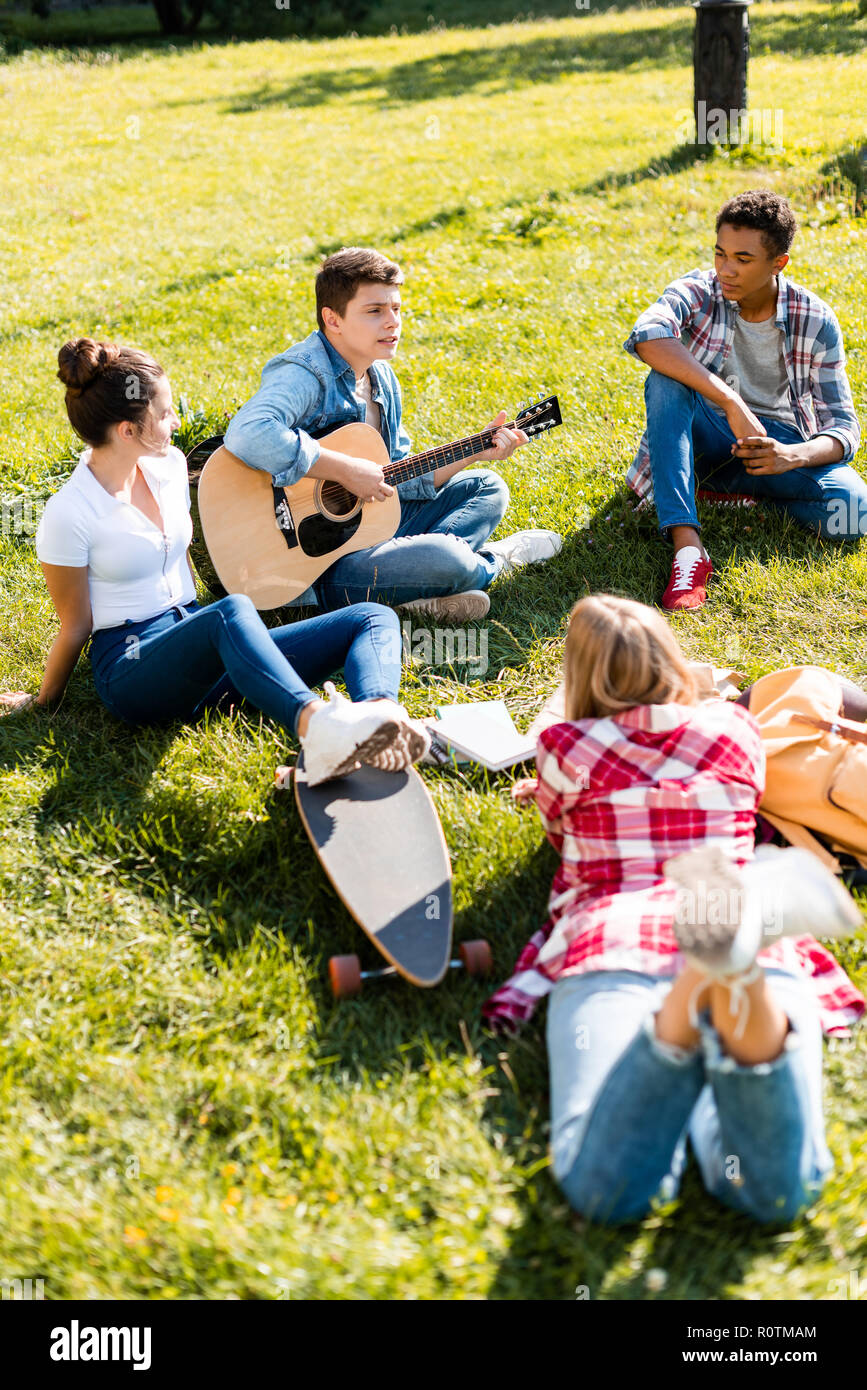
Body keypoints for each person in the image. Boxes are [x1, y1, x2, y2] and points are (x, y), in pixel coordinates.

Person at [484, 595, 865, 1225]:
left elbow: (561, 832)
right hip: (729, 905)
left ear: (577, 678)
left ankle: (687, 1004)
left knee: (606, 1189)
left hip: (612, 939)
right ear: (673, 658)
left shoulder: (561, 744)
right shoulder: (737, 730)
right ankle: (725, 967)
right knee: (774, 1194)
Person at [0, 338, 429, 787]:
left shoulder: (167, 467)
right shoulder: (70, 512)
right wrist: (44, 700)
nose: (176, 421)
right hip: (132, 670)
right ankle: (319, 729)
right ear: (128, 430)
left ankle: (381, 723)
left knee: (371, 618)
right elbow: (75, 625)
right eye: (165, 414)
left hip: (203, 644)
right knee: (232, 611)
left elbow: (180, 561)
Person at [222, 246, 562, 619]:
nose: (392, 322)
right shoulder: (305, 373)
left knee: (486, 486)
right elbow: (248, 432)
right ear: (332, 319)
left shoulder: (380, 376)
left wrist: (475, 451)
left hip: (367, 531)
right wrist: (345, 471)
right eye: (375, 311)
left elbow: (396, 474)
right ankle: (490, 561)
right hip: (310, 569)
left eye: (396, 309)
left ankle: (416, 585)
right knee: (445, 558)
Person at [624, 189, 867, 612]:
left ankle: (744, 496)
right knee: (665, 382)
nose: (726, 269)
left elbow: (844, 429)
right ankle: (688, 547)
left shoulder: (815, 318)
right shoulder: (699, 290)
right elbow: (648, 336)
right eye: (720, 254)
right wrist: (731, 401)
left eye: (742, 259)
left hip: (773, 449)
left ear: (779, 263)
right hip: (707, 435)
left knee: (855, 512)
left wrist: (793, 455)